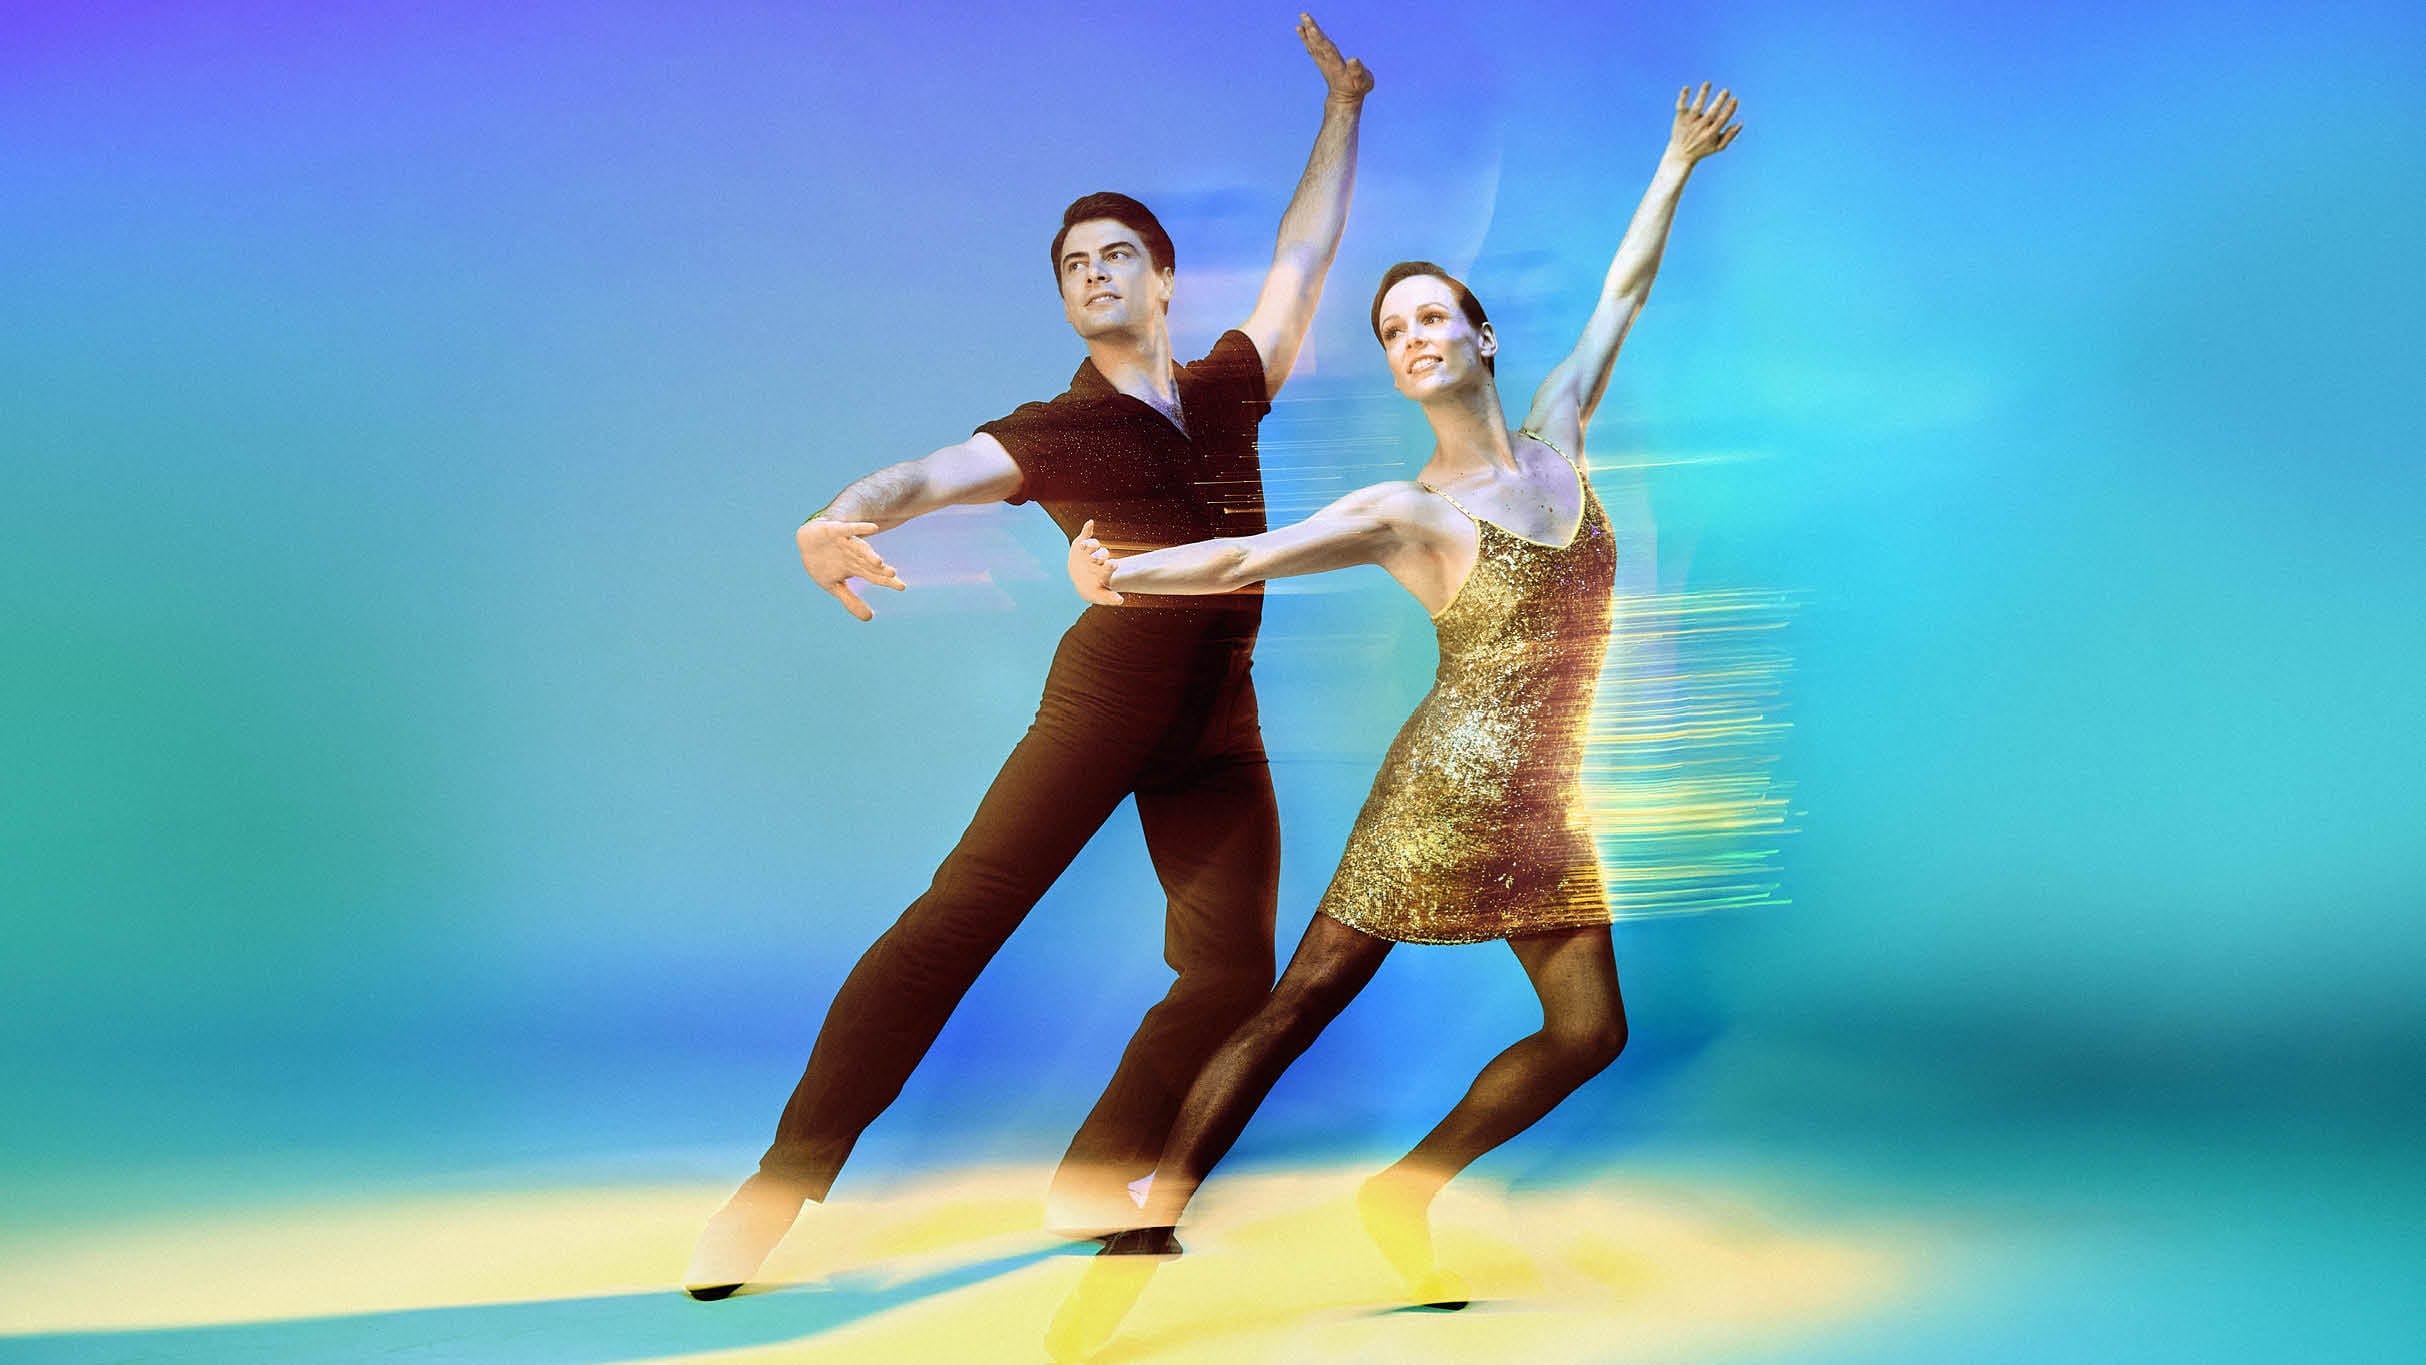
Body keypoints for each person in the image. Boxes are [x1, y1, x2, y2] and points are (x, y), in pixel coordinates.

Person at [682, 15, 1374, 1301]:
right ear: (1066, 297)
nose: (1097, 273)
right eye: (1074, 265)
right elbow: (926, 475)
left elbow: (1305, 255)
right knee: (955, 926)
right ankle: (776, 1188)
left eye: (1119, 255)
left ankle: (1093, 1166)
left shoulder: (1229, 382)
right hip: (1106, 701)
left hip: (1220, 720)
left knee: (1227, 969)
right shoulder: (1054, 430)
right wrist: (838, 519)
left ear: (1165, 282)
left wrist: (1341, 105)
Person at [1060, 83, 1743, 1313]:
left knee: (1590, 1036)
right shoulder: (1404, 509)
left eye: (1431, 316)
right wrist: (1119, 571)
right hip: (1433, 796)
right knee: (1295, 1010)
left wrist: (1674, 163)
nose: (1411, 335)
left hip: (1541, 803)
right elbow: (1237, 558)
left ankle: (1407, 1188)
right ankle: (1146, 1233)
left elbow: (1621, 293)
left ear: (1481, 338)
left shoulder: (1558, 434)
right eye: (1389, 330)